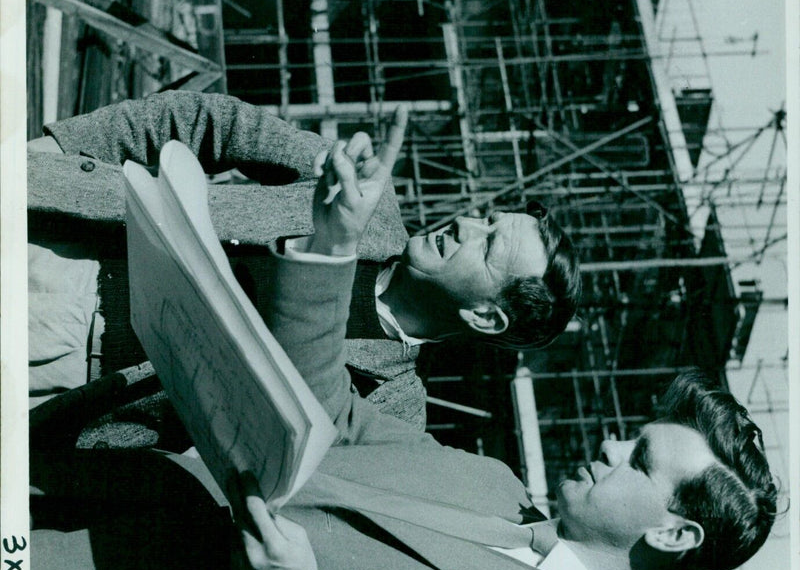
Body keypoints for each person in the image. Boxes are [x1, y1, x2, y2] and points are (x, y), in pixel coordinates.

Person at [30, 113, 778, 570]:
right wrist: (329, 248)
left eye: (639, 462)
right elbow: (323, 412)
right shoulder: (490, 485)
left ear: (674, 533)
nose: (612, 445)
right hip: (74, 512)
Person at [27, 91, 581, 444]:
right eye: (486, 218)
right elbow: (212, 121)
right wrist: (57, 150)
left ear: (487, 318)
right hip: (54, 242)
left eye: (486, 247)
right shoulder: (364, 198)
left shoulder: (391, 410)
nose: (465, 224)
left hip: (63, 377)